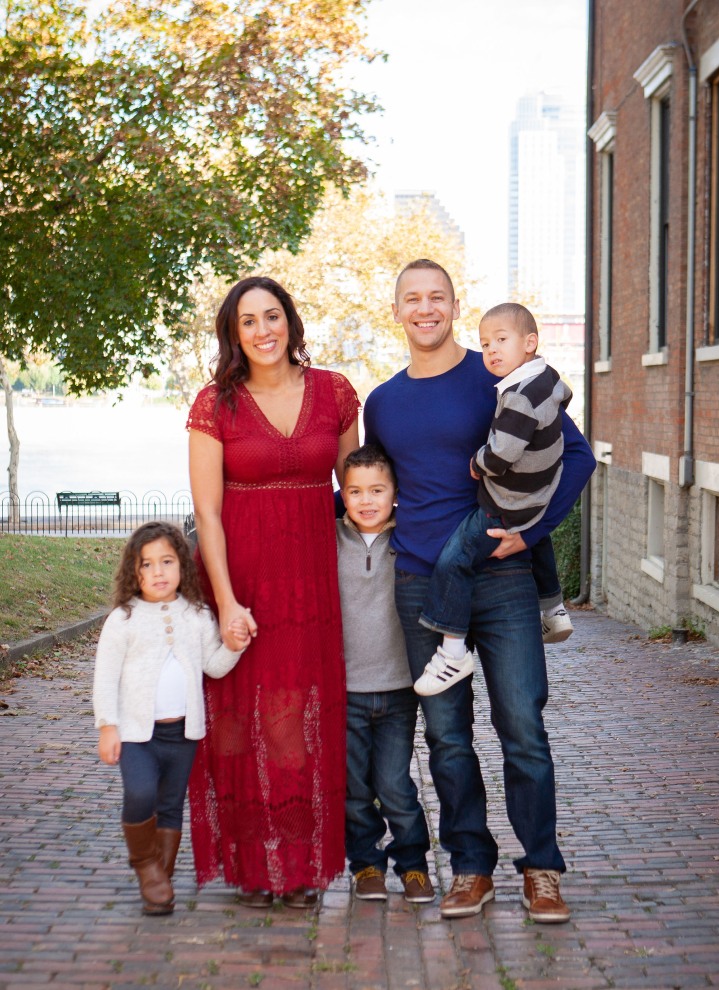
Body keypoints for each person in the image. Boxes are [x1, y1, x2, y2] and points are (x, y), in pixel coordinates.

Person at [363, 259, 596, 922]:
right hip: (420, 588)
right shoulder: (381, 403)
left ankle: (542, 869)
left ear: (454, 305)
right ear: (397, 309)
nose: (425, 308)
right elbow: (370, 492)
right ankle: (471, 868)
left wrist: (532, 532)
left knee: (522, 725)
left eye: (437, 297)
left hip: (501, 578)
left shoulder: (496, 377)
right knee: (446, 738)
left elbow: (576, 458)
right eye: (412, 298)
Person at [186, 275, 360, 909]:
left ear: (290, 321)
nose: (263, 331)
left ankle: (299, 865)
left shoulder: (336, 393)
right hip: (244, 579)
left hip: (314, 583)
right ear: (235, 336)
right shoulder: (215, 405)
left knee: (296, 722)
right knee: (238, 720)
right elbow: (207, 511)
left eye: (271, 316)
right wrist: (227, 602)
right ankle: (253, 867)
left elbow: (357, 489)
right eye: (248, 322)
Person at [414, 302, 572, 696]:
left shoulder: (517, 396)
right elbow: (563, 397)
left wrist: (477, 461)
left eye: (501, 341)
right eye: (485, 344)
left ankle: (452, 652)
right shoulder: (548, 379)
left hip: (506, 502)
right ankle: (553, 607)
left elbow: (501, 455)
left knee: (454, 560)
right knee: (540, 542)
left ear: (530, 342)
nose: (492, 352)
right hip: (538, 497)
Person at [93, 521, 248, 916]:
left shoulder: (196, 614)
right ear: (134, 571)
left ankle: (158, 881)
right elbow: (106, 677)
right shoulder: (123, 619)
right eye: (147, 565)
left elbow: (213, 666)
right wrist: (108, 726)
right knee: (141, 794)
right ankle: (145, 865)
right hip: (136, 735)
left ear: (183, 566)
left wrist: (235, 645)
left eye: (167, 561)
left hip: (183, 733)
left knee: (171, 804)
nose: (158, 572)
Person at [337, 444, 433, 903]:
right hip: (346, 691)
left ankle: (413, 865)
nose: (366, 500)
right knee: (354, 789)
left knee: (395, 785)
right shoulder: (330, 538)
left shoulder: (410, 539)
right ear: (343, 494)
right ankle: (366, 866)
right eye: (355, 491)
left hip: (398, 689)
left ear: (396, 493)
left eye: (377, 489)